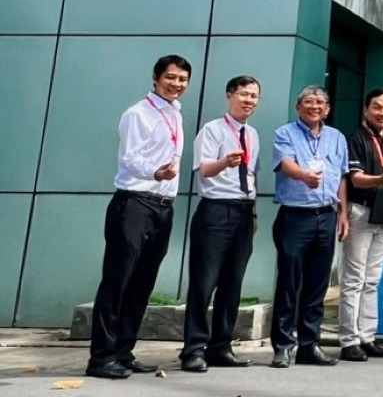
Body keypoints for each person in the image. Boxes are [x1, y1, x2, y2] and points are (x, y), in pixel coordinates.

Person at [87, 55, 192, 380]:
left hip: (162, 206)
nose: (176, 84)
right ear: (155, 77)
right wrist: (155, 172)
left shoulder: (174, 113)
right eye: (170, 77)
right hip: (134, 204)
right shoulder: (138, 113)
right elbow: (129, 157)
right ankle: (101, 358)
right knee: (117, 281)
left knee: (142, 283)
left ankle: (123, 351)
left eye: (182, 79)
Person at [180, 75, 261, 373]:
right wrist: (224, 163)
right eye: (243, 94)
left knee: (232, 283)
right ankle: (193, 350)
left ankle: (221, 346)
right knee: (204, 283)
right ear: (229, 95)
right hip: (215, 212)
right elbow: (203, 170)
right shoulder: (212, 130)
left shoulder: (252, 134)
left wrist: (253, 215)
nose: (248, 100)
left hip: (242, 213)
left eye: (254, 96)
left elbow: (253, 177)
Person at [269, 86, 348, 368]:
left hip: (327, 216)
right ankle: (282, 346)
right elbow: (285, 164)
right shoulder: (285, 133)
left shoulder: (337, 137)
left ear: (328, 108)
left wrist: (343, 212)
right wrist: (304, 176)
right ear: (298, 106)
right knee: (290, 283)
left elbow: (341, 177)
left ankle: (309, 345)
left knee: (317, 285)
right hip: (295, 217)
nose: (315, 106)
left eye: (321, 102)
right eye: (309, 102)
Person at [339, 89, 383, 362]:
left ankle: (367, 336)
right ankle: (348, 340)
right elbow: (355, 179)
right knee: (353, 279)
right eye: (377, 107)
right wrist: (382, 178)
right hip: (361, 212)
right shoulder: (356, 138)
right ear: (366, 109)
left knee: (372, 280)